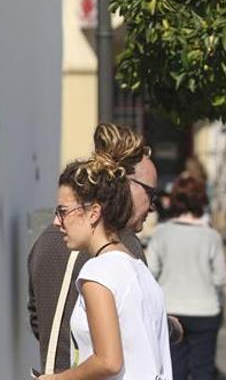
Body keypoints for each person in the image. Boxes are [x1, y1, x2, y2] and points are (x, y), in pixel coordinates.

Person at [27, 123, 173, 374]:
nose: (151, 206)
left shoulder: (57, 248)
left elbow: (108, 359)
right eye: (150, 193)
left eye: (64, 211)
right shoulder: (128, 257)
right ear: (125, 185)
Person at [146, 173, 226, 380]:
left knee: (173, 370)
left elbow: (151, 271)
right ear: (201, 201)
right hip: (205, 310)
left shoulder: (161, 233)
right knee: (203, 371)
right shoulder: (212, 236)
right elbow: (220, 278)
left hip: (171, 309)